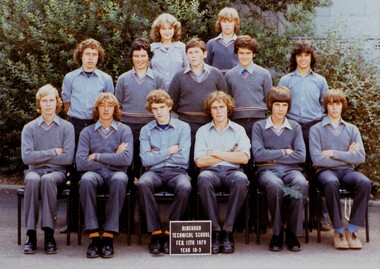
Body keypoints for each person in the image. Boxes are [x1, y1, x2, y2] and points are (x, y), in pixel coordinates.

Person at [309, 89, 372, 250]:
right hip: (324, 172)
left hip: (347, 172)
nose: (334, 107)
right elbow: (317, 160)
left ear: (342, 106)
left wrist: (332, 153)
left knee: (364, 182)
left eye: (337, 104)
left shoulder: (352, 129)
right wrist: (346, 155)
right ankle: (338, 230)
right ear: (326, 106)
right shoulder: (316, 129)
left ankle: (351, 230)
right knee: (331, 182)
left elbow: (359, 157)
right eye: (330, 104)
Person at [278, 40, 330, 230]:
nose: (303, 59)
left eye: (306, 55)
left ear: (311, 58)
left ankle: (320, 217)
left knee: (317, 171)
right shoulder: (286, 80)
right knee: (290, 172)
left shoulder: (320, 80)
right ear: (295, 58)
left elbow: (326, 106)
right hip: (291, 129)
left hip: (314, 128)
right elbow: (279, 105)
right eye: (299, 55)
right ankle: (288, 216)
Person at [76, 93, 133, 258]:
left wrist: (97, 156)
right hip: (94, 174)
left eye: (110, 106)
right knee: (86, 179)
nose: (106, 109)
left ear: (115, 109)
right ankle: (94, 235)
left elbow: (126, 160)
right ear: (97, 109)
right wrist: (114, 157)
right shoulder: (87, 132)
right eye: (102, 105)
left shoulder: (124, 130)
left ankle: (108, 235)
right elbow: (81, 163)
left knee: (121, 179)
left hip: (117, 174)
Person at [252, 86, 308, 252]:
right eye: (277, 105)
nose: (281, 109)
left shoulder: (295, 127)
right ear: (271, 105)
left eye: (284, 105)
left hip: (291, 172)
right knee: (276, 186)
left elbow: (300, 156)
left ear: (288, 107)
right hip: (267, 172)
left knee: (300, 185)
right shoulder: (259, 126)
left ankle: (291, 232)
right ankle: (277, 233)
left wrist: (271, 155)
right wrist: (284, 151)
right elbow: (258, 155)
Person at [21, 84, 75, 254]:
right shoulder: (29, 128)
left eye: (52, 100)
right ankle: (31, 234)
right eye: (44, 101)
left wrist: (40, 156)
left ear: (57, 103)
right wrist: (53, 152)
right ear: (39, 104)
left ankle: (49, 233)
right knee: (32, 179)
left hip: (56, 173)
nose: (48, 104)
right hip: (34, 171)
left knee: (48, 179)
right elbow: (27, 157)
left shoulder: (67, 127)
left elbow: (67, 158)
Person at [194, 91, 250, 254]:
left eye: (221, 107)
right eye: (214, 108)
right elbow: (200, 161)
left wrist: (214, 152)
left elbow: (244, 158)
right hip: (210, 172)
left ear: (228, 109)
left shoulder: (238, 130)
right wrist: (229, 154)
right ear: (210, 111)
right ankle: (215, 230)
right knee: (203, 178)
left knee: (241, 179)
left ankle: (228, 230)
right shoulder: (203, 131)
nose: (218, 111)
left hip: (233, 172)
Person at [138, 89, 192, 255]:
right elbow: (145, 160)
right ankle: (155, 232)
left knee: (185, 187)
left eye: (162, 107)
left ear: (169, 106)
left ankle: (170, 232)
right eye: (155, 108)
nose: (159, 112)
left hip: (178, 171)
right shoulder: (146, 130)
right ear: (151, 110)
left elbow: (183, 158)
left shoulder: (183, 127)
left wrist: (156, 153)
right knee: (143, 183)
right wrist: (168, 151)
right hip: (154, 172)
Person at [116, 37, 166, 177]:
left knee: (148, 162)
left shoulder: (158, 78)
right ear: (131, 57)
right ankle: (129, 190)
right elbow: (118, 105)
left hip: (151, 126)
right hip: (128, 126)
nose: (139, 59)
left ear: (149, 57)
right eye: (136, 56)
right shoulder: (123, 79)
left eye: (143, 55)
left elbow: (163, 104)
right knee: (129, 163)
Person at [169, 37, 228, 143]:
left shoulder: (216, 73)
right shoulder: (179, 76)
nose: (193, 55)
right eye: (190, 52)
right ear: (186, 55)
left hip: (211, 123)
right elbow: (172, 101)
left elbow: (225, 99)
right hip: (186, 125)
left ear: (205, 54)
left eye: (197, 52)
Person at [61, 38, 114, 146]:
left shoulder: (106, 79)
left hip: (97, 124)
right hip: (76, 125)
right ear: (81, 56)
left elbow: (110, 104)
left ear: (99, 57)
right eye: (87, 54)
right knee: (76, 156)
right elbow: (66, 103)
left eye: (94, 54)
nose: (91, 58)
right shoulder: (70, 77)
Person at [225, 35, 272, 140]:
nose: (244, 56)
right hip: (236, 121)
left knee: (257, 152)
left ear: (253, 54)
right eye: (241, 53)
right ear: (236, 54)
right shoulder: (229, 75)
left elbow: (269, 99)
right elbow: (228, 101)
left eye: (248, 53)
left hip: (259, 120)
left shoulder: (264, 74)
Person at [150, 13, 188, 89]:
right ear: (158, 30)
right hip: (157, 91)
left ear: (175, 29)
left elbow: (187, 69)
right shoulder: (151, 48)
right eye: (163, 28)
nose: (167, 32)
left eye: (170, 28)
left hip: (178, 91)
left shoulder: (182, 47)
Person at [205, 7, 240, 74]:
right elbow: (206, 66)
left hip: (235, 81)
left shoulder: (240, 43)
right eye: (224, 21)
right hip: (216, 81)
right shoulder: (211, 43)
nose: (227, 25)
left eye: (230, 21)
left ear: (235, 23)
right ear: (220, 23)